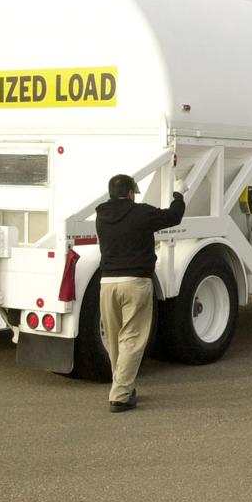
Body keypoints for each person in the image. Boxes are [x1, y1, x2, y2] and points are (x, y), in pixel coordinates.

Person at [94, 173, 186, 412]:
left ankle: (123, 385)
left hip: (107, 284)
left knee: (115, 339)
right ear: (131, 193)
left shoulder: (101, 215)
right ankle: (120, 394)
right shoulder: (141, 212)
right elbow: (173, 216)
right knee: (132, 339)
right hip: (136, 282)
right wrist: (179, 193)